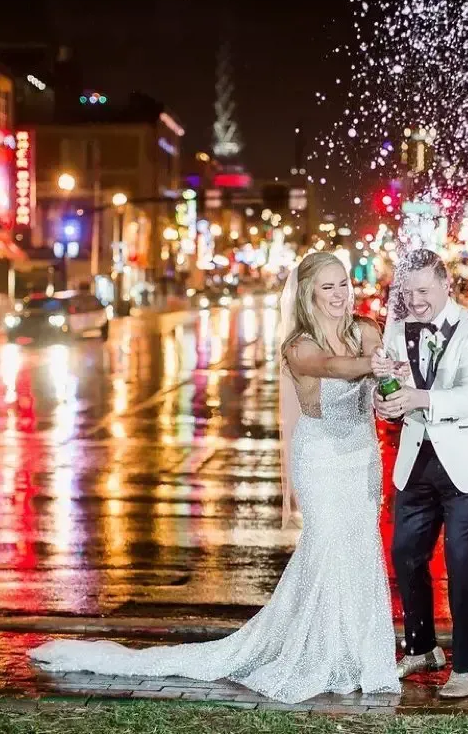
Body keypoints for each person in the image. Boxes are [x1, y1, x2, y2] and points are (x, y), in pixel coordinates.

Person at [28, 252, 401, 705]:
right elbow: (333, 368)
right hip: (321, 460)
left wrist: (388, 393)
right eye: (328, 287)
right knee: (328, 550)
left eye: (343, 283)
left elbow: (380, 387)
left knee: (360, 549)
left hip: (361, 459)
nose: (340, 294)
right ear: (308, 294)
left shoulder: (366, 332)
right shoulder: (298, 346)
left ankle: (359, 655)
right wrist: (372, 366)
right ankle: (321, 654)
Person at [372, 249, 468, 700]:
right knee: (406, 553)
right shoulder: (396, 329)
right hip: (418, 460)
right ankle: (423, 646)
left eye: (424, 291)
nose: (414, 301)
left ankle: (465, 668)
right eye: (407, 292)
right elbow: (391, 395)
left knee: (461, 563)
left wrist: (420, 399)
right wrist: (386, 402)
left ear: (446, 286)